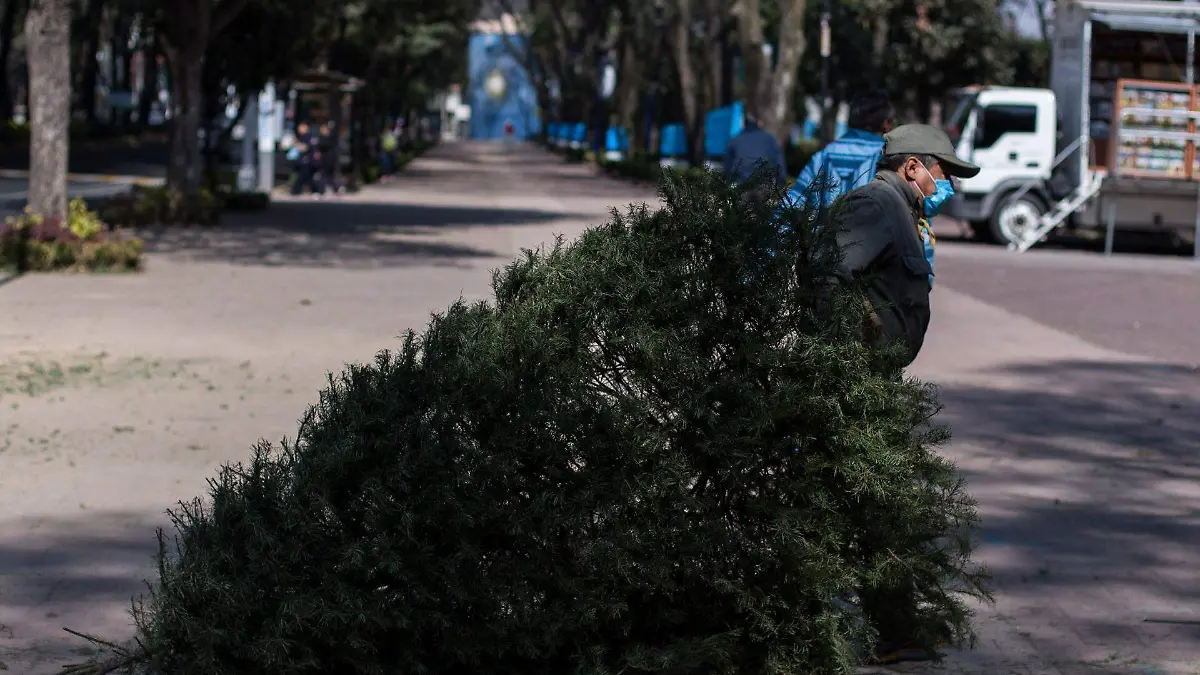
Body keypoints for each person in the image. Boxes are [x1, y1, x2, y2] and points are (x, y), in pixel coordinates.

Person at [788, 90, 895, 212]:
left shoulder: (824, 156)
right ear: (886, 124)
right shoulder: (888, 156)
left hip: (823, 230)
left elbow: (791, 203)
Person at [723, 111, 787, 186]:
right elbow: (779, 163)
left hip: (741, 184)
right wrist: (782, 182)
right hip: (765, 184)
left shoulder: (734, 140)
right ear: (759, 123)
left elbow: (727, 167)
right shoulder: (770, 139)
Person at [290, 122, 319, 197]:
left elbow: (306, 147)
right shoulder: (300, 137)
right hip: (302, 160)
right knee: (304, 176)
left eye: (301, 127)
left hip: (307, 160)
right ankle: (313, 191)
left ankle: (297, 191)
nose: (299, 129)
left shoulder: (308, 137)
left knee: (304, 176)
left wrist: (296, 145)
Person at [317, 123, 342, 196]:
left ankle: (333, 188)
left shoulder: (329, 138)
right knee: (327, 176)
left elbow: (322, 145)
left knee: (328, 176)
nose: (322, 131)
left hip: (329, 160)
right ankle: (335, 188)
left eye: (324, 129)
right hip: (325, 160)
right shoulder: (323, 137)